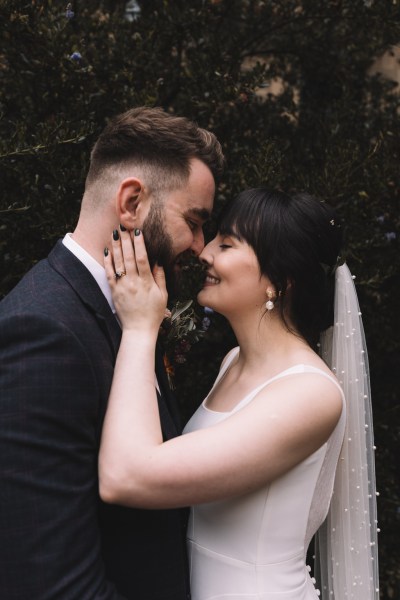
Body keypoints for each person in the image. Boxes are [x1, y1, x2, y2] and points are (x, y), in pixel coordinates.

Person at [98, 188, 379, 600]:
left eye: (226, 244)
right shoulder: (233, 361)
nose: (205, 252)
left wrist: (141, 328)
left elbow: (127, 477)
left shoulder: (311, 394)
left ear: (280, 282)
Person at [0, 106, 224, 600]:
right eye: (194, 221)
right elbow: (48, 582)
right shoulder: (43, 331)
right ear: (131, 202)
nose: (201, 247)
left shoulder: (131, 308)